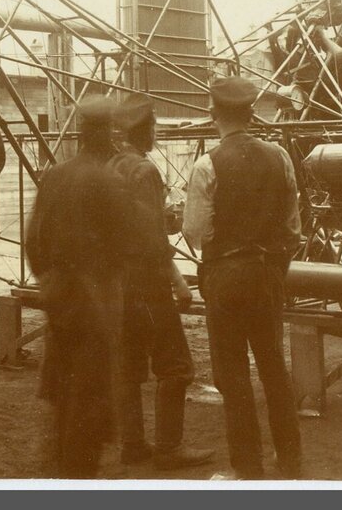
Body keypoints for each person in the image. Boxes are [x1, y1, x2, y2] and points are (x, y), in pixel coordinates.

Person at [183, 76, 303, 480]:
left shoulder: (207, 163)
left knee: (232, 375)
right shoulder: (280, 156)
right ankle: (290, 460)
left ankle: (248, 467)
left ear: (213, 115)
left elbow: (197, 231)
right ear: (252, 114)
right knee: (273, 367)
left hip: (226, 276)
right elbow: (292, 225)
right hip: (269, 273)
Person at [26, 97, 137, 478]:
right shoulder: (111, 180)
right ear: (106, 134)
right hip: (97, 299)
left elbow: (33, 240)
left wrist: (51, 282)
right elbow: (128, 244)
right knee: (90, 395)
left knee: (63, 387)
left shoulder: (55, 176)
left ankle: (62, 468)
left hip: (60, 297)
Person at [110, 93, 214, 471]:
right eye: (153, 126)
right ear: (146, 130)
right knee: (175, 367)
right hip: (148, 285)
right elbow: (152, 238)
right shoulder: (144, 171)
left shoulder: (113, 166)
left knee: (129, 368)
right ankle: (169, 449)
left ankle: (133, 445)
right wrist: (179, 283)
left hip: (118, 285)